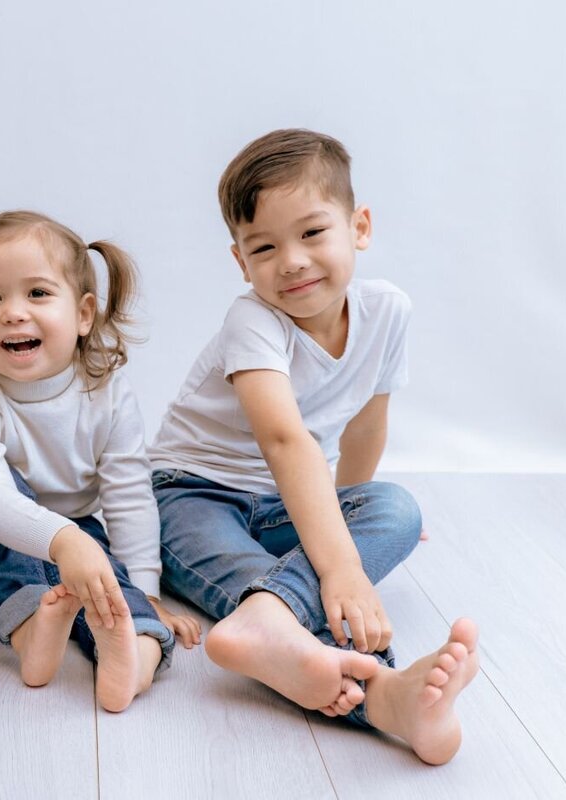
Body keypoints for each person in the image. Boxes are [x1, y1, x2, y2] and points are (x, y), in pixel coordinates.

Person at [148, 129, 478, 764]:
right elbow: (284, 438)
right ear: (241, 263)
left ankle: (328, 658)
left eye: (312, 234)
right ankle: (382, 691)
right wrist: (343, 566)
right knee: (289, 588)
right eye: (264, 247)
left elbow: (366, 426)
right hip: (189, 496)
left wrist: (348, 520)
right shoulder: (254, 321)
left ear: (360, 226)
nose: (292, 260)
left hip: (284, 503)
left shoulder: (386, 312)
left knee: (396, 510)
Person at [0, 210, 200, 712]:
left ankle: (135, 651)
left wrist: (146, 585)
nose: (13, 312)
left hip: (77, 527)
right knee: (12, 554)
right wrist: (63, 543)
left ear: (83, 313)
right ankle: (34, 632)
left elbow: (127, 490)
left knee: (108, 583)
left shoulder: (106, 389)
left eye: (37, 293)